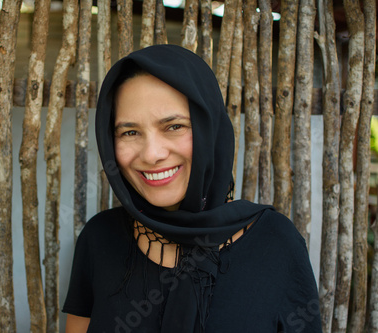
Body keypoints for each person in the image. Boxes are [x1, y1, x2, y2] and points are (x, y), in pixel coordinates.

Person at [63, 44, 322, 332]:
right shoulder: (99, 239)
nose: (152, 154)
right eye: (130, 132)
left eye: (174, 126)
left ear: (209, 129)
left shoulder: (276, 243)